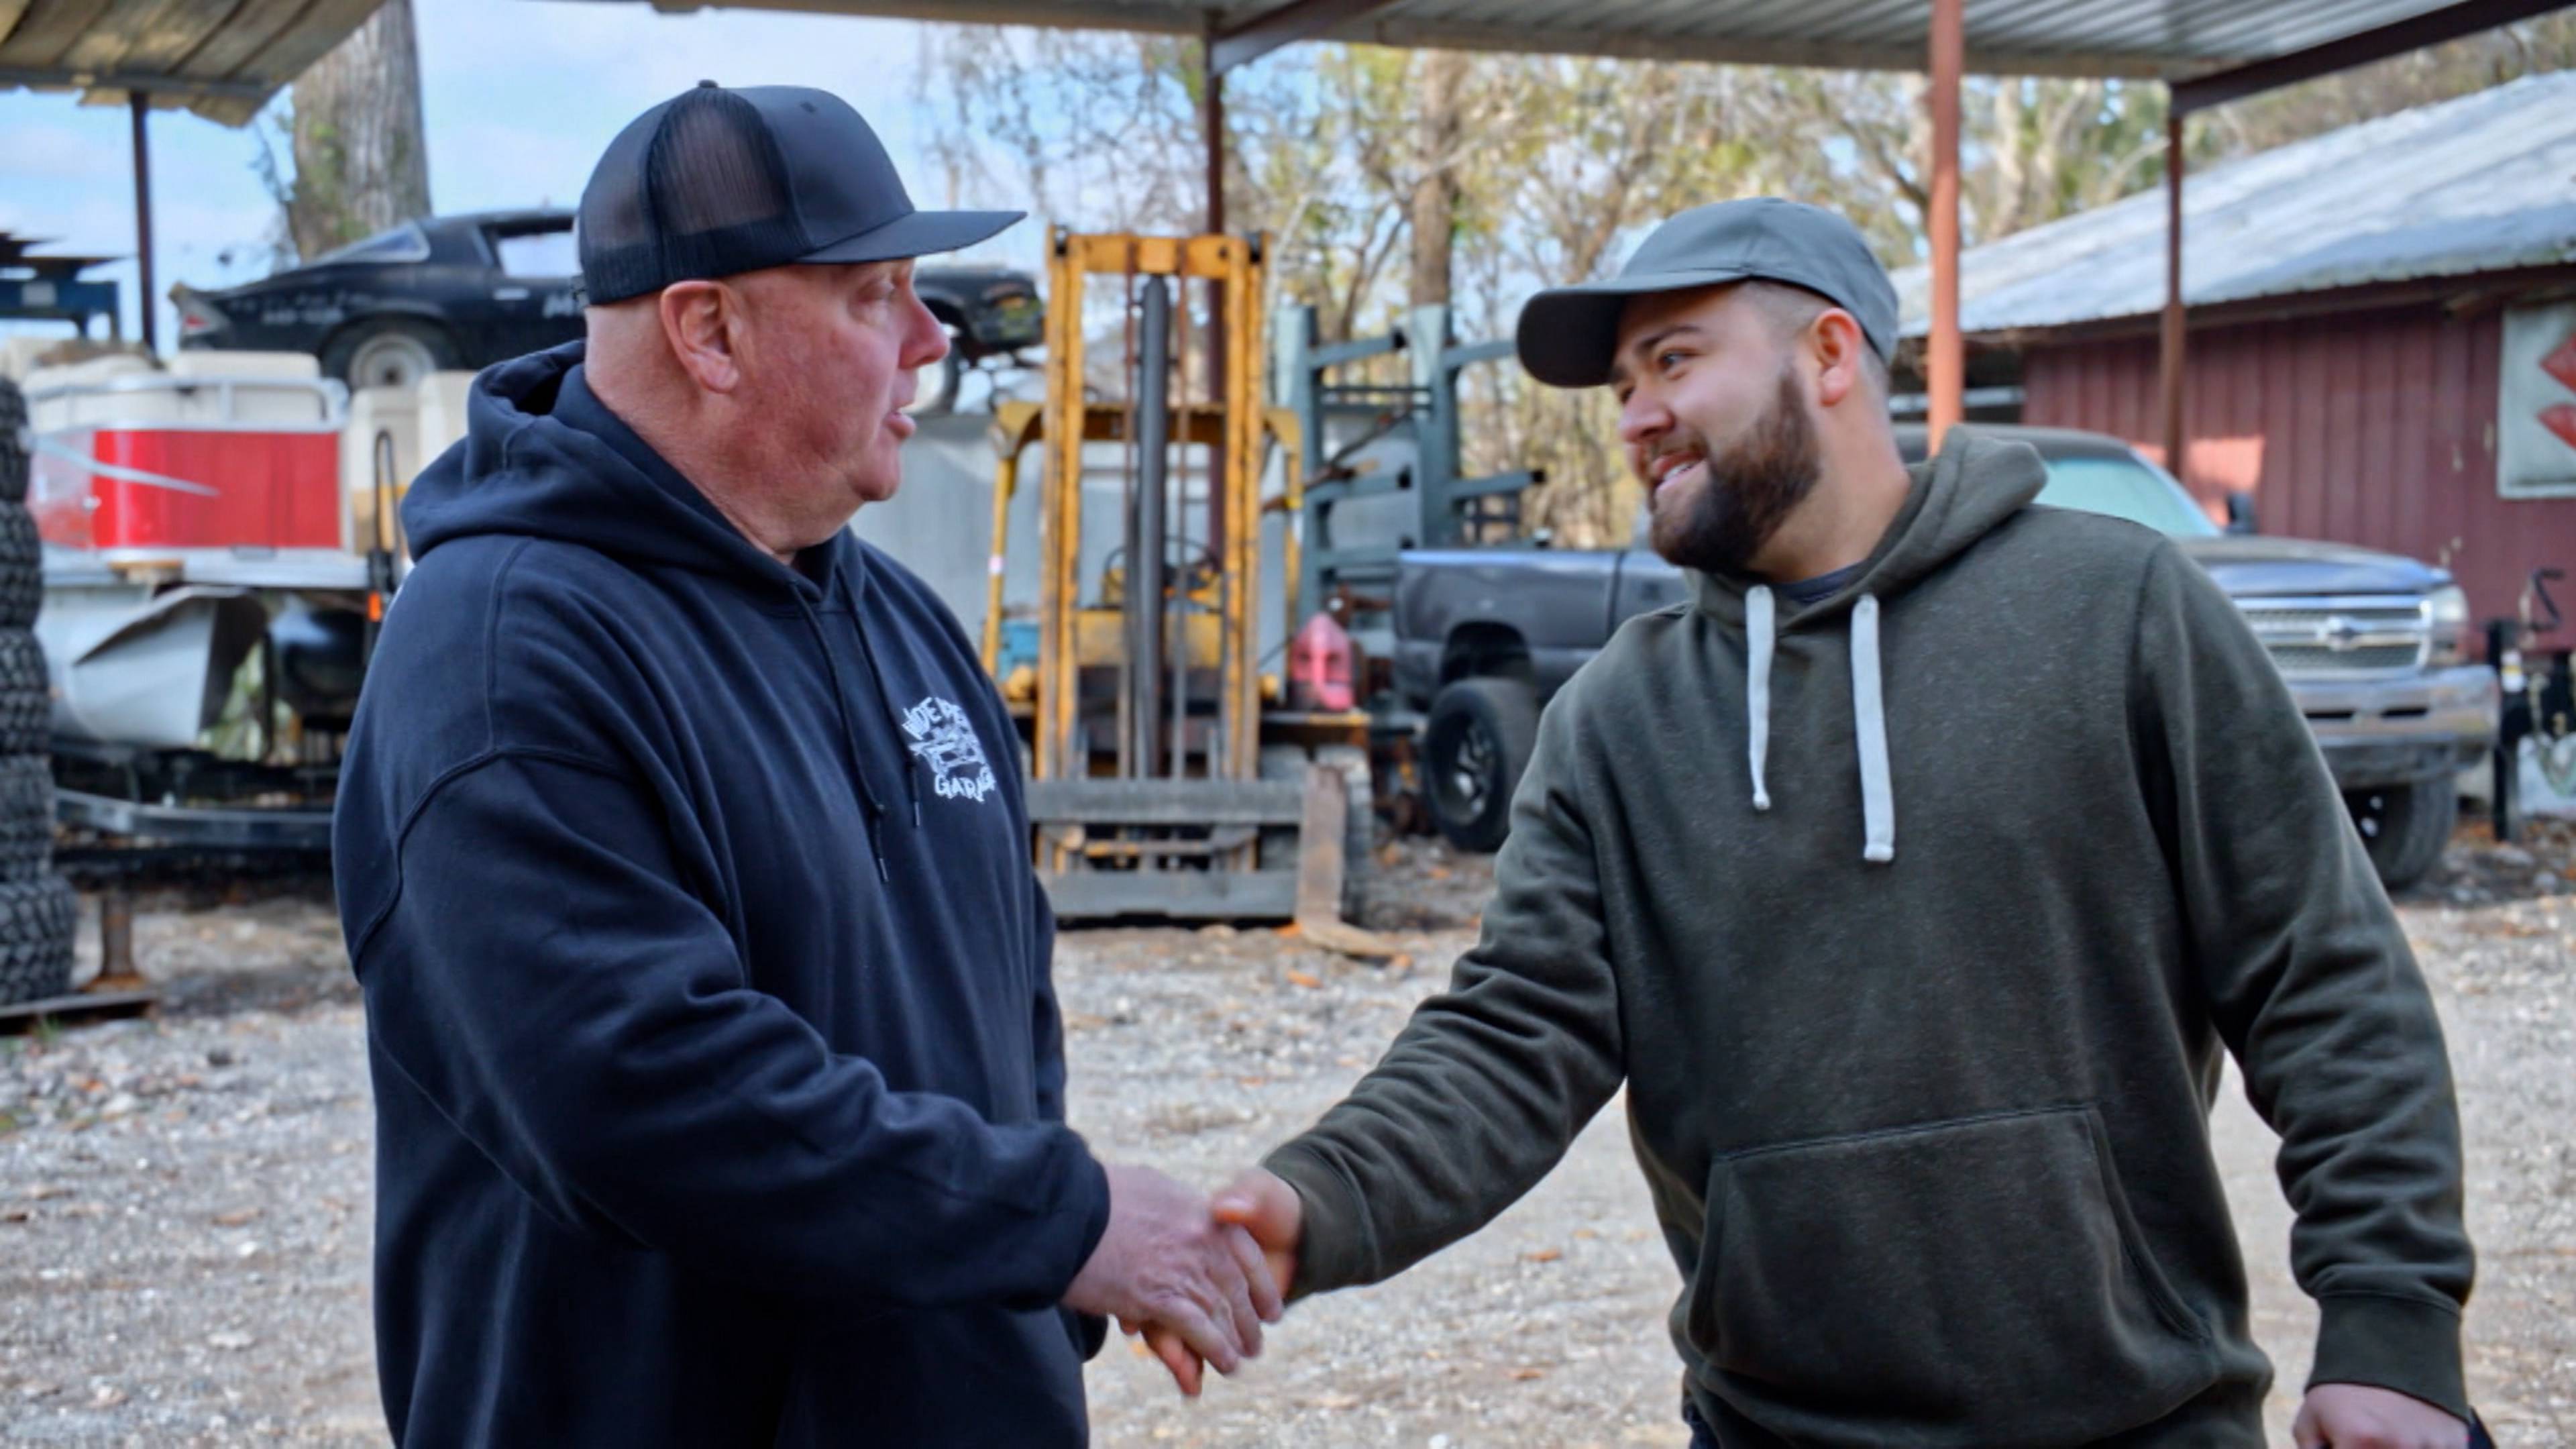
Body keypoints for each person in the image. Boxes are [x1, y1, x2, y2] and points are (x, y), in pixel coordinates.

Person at [1189, 199, 2477, 1448]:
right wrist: (1323, 1194)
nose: (1635, 417)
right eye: (1623, 384)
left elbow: (2323, 978)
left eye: (1673, 361)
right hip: (1772, 1429)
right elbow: (1516, 1034)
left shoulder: (2118, 611)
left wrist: (2393, 1327)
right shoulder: (1615, 720)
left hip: (2135, 1423)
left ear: (1829, 352)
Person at [331, 83, 1275, 1447]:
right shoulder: (502, 654)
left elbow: (1003, 1019)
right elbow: (638, 1091)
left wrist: (1038, 1287)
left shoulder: (897, 622)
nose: (931, 340)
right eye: (873, 294)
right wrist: (1062, 1221)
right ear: (707, 329)